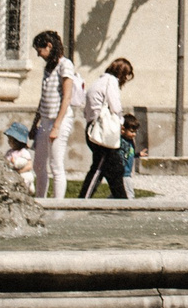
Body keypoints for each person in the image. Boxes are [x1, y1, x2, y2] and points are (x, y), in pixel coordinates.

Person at [29, 30, 77, 200]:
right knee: (39, 164)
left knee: (56, 165)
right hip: (45, 120)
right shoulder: (48, 68)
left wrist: (56, 126)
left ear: (49, 46)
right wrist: (35, 123)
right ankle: (40, 200)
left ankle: (58, 204)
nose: (38, 54)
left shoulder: (65, 65)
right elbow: (43, 98)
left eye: (39, 50)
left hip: (59, 120)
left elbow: (67, 97)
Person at [79, 58, 131, 199]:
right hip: (102, 132)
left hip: (94, 129)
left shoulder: (99, 81)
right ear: (122, 74)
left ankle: (122, 201)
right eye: (126, 75)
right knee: (99, 169)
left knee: (114, 168)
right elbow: (115, 106)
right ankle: (83, 200)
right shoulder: (111, 81)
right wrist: (121, 122)